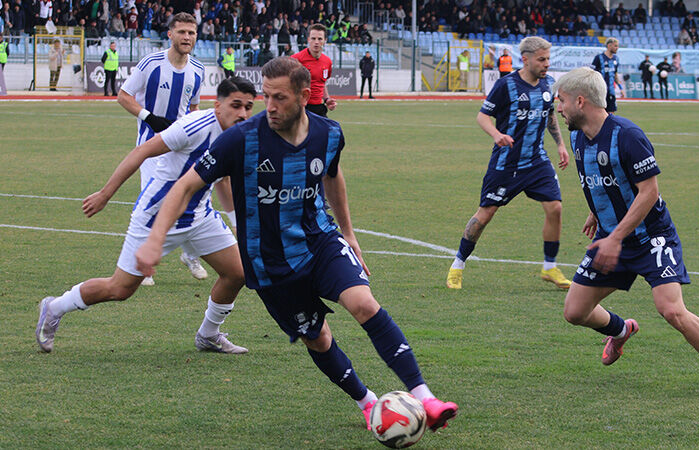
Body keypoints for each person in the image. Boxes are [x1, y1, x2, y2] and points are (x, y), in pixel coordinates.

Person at [135, 56, 459, 432]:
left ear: (305, 96)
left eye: (280, 98)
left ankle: (426, 398)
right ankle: (368, 404)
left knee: (364, 303)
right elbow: (185, 185)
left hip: (319, 240)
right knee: (318, 338)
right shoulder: (241, 140)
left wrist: (349, 233)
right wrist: (155, 239)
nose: (269, 107)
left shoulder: (329, 133)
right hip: (269, 263)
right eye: (266, 97)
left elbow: (333, 177)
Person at [553, 66, 699, 401]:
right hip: (612, 238)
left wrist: (614, 237)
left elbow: (648, 192)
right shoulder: (577, 136)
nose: (558, 107)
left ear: (580, 101)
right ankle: (621, 329)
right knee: (574, 312)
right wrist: (596, 214)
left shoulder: (628, 135)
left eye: (562, 100)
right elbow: (607, 180)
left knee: (670, 309)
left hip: (650, 237)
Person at [36, 77, 257, 354]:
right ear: (218, 105)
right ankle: (54, 307)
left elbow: (223, 180)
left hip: (199, 217)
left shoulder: (239, 135)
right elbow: (142, 151)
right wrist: (106, 193)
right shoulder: (193, 126)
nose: (243, 114)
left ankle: (208, 335)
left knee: (237, 273)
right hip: (155, 217)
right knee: (120, 289)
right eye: (236, 105)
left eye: (248, 107)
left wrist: (237, 224)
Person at [446, 37, 572, 291]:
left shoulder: (548, 84)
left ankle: (550, 267)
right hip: (506, 163)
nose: (546, 64)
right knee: (485, 215)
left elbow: (548, 115)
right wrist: (497, 135)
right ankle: (458, 264)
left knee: (555, 207)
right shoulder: (507, 85)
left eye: (548, 59)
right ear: (525, 59)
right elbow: (483, 117)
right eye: (541, 59)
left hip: (537, 161)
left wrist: (560, 144)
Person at [117, 12, 212, 286]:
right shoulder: (152, 64)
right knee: (151, 203)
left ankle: (190, 254)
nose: (187, 37)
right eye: (181, 32)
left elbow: (193, 108)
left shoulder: (197, 70)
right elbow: (124, 96)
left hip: (182, 145)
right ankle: (140, 262)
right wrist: (149, 117)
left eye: (191, 33)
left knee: (191, 198)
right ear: (170, 34)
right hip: (150, 145)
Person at [291, 23, 335, 117]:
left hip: (319, 107)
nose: (316, 42)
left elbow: (322, 83)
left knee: (329, 131)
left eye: (320, 39)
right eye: (313, 38)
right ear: (308, 40)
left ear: (325, 41)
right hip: (302, 108)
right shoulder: (296, 60)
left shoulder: (327, 62)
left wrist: (327, 99)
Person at [590, 37, 625, 112]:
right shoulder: (599, 58)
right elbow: (591, 73)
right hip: (600, 91)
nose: (617, 48)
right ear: (609, 46)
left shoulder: (616, 59)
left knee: (611, 114)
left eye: (617, 46)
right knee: (600, 113)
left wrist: (621, 88)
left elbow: (615, 74)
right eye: (615, 46)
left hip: (611, 91)